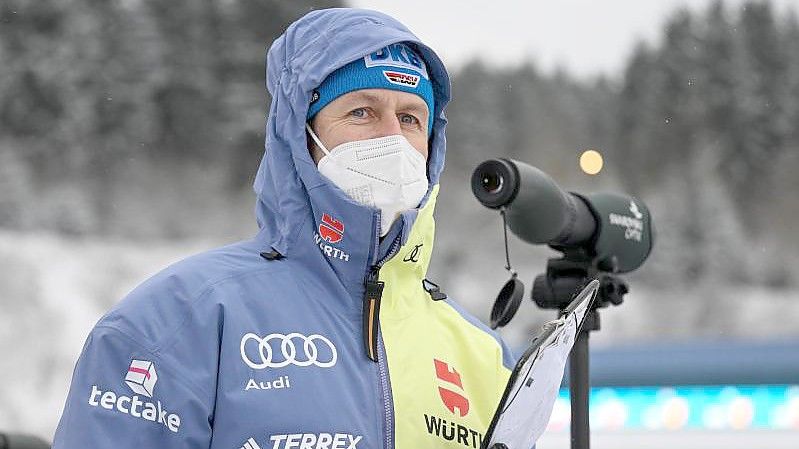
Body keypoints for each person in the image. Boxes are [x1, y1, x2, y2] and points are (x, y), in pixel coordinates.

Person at [52, 8, 518, 449]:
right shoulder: (180, 319)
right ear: (300, 133)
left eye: (411, 118)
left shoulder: (484, 355)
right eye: (362, 111)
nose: (392, 138)